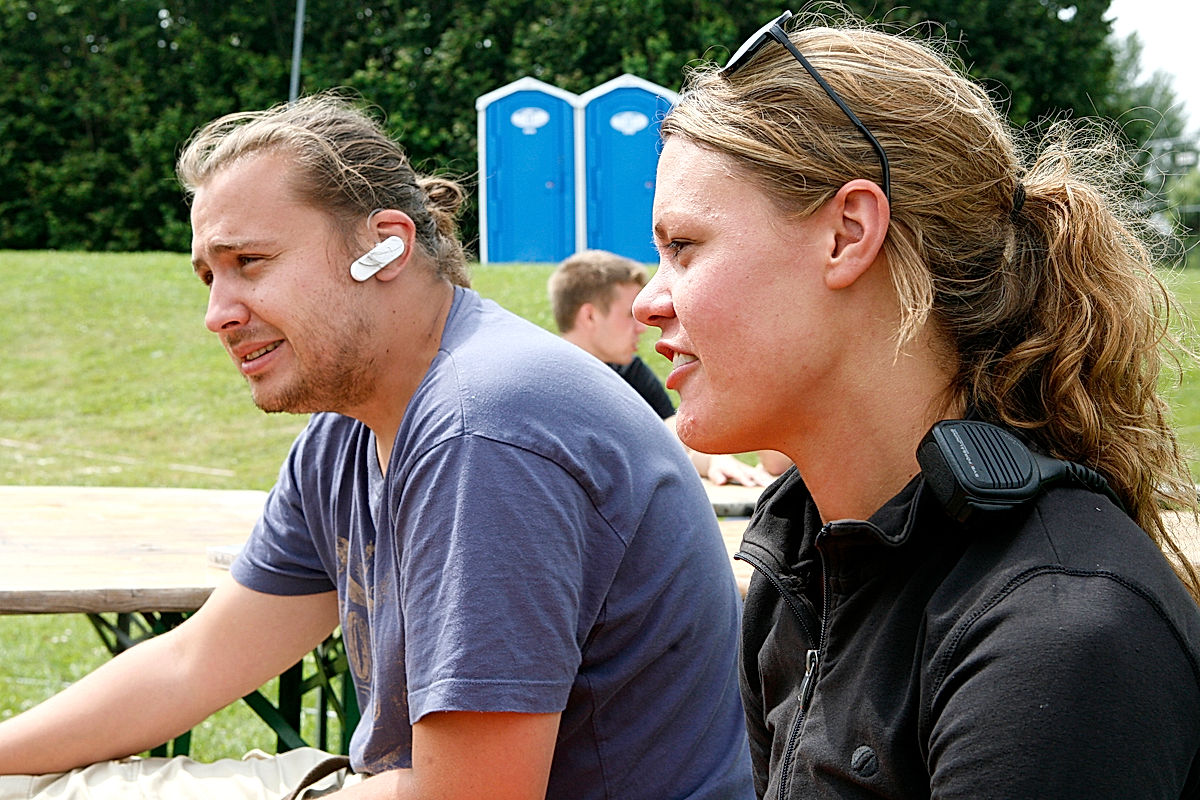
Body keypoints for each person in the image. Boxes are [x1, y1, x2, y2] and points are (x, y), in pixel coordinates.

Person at [0, 94, 754, 800]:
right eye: (208, 276)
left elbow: (471, 796)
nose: (217, 314)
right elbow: (190, 665)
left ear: (385, 247)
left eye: (248, 263)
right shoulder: (350, 429)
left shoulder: (484, 427)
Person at [633, 10, 1200, 799]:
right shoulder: (798, 567)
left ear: (848, 233)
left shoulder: (1057, 628)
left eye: (683, 247)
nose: (649, 302)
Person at [549, 249, 789, 486]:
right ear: (590, 316)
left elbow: (666, 427)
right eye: (629, 314)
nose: (642, 327)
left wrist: (712, 460)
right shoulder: (550, 386)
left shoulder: (626, 371)